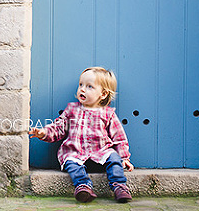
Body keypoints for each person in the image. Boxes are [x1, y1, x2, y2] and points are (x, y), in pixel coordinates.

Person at [29, 66, 134, 203]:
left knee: (114, 157)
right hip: (75, 153)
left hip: (100, 154)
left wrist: (124, 157)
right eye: (81, 85)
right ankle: (83, 186)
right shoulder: (72, 110)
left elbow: (119, 138)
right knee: (71, 162)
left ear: (103, 94)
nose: (82, 89)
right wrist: (44, 133)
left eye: (89, 86)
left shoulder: (108, 114)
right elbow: (59, 127)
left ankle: (119, 186)